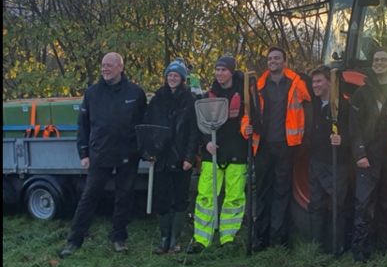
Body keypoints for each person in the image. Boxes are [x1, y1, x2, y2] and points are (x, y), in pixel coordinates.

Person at [60, 52, 147, 256]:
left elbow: (144, 125)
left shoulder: (135, 93)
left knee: (124, 197)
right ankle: (74, 241)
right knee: (89, 197)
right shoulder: (92, 93)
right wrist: (83, 152)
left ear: (120, 67)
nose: (105, 69)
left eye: (109, 65)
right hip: (100, 153)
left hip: (128, 154)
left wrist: (146, 152)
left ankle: (119, 238)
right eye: (103, 66)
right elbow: (83, 125)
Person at [242, 46, 311, 251]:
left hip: (286, 146)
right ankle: (260, 238)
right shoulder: (257, 85)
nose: (272, 61)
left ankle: (279, 237)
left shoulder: (297, 83)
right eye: (270, 58)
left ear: (285, 61)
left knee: (283, 191)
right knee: (263, 192)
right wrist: (244, 127)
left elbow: (316, 98)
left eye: (276, 58)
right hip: (262, 146)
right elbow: (248, 113)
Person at [348, 46, 387, 262]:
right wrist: (360, 153)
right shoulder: (362, 93)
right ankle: (360, 252)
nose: (379, 63)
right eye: (375, 60)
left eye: (383, 59)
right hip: (368, 158)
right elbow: (354, 127)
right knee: (364, 204)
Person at [187, 56, 249, 253]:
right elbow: (199, 126)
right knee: (205, 195)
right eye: (217, 70)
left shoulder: (245, 95)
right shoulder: (207, 96)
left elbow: (251, 120)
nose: (219, 73)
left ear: (231, 71)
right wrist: (206, 143)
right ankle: (201, 239)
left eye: (223, 70)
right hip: (212, 154)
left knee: (234, 196)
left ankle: (228, 237)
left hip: (237, 153)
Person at [142, 59, 199, 254]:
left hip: (181, 156)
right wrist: (148, 153)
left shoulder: (190, 101)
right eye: (169, 75)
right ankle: (164, 238)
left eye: (176, 75)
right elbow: (148, 127)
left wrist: (189, 157)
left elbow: (193, 131)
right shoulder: (157, 99)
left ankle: (176, 239)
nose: (172, 78)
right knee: (161, 197)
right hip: (160, 157)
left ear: (182, 78)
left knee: (180, 198)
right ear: (166, 78)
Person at [306, 65, 351, 255]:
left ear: (329, 83)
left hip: (336, 163)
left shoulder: (343, 107)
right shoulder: (313, 105)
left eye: (318, 81)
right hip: (316, 161)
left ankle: (337, 246)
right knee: (316, 203)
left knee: (338, 205)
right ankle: (318, 245)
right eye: (313, 82)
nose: (314, 85)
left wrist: (343, 139)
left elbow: (356, 132)